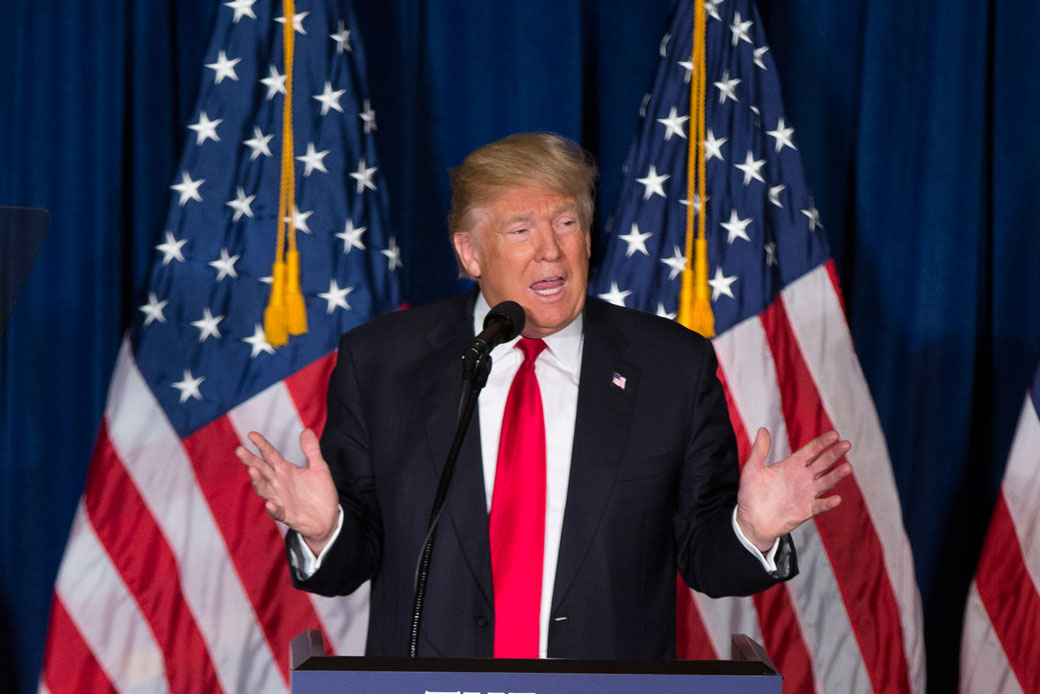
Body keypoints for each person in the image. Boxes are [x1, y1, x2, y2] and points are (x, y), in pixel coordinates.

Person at [237, 133, 852, 660]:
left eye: (566, 223)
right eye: (521, 229)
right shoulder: (385, 362)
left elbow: (706, 559)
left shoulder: (672, 368)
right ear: (470, 252)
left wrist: (752, 530)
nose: (551, 250)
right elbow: (352, 560)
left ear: (587, 238)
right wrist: (324, 530)